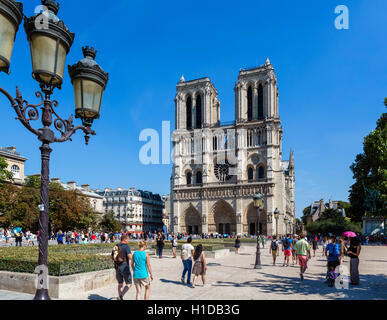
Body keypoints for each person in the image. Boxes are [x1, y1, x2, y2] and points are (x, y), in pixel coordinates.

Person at [111, 234, 133, 300]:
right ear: (125, 239)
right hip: (124, 266)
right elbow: (130, 257)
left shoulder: (116, 246)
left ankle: (120, 298)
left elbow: (111, 257)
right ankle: (121, 295)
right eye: (128, 239)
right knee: (129, 283)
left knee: (120, 284)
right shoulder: (126, 247)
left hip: (117, 266)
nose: (129, 240)